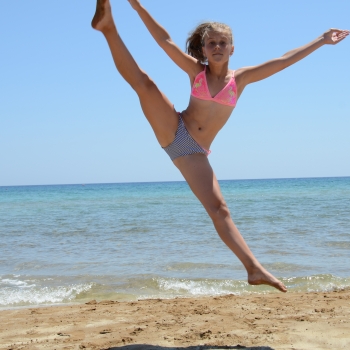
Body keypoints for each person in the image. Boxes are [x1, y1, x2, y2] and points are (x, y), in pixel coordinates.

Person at [91, 0, 349, 293]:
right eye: (211, 42)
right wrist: (137, 7)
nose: (217, 47)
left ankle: (253, 268)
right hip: (174, 127)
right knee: (145, 85)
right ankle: (108, 27)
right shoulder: (196, 72)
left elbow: (284, 59)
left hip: (193, 151)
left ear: (232, 49)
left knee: (220, 209)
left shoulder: (241, 79)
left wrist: (321, 40)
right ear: (203, 49)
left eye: (222, 42)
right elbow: (164, 40)